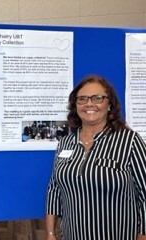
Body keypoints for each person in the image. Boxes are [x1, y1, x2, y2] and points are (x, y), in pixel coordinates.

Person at [45, 74, 146, 240]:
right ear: (75, 105)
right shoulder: (65, 143)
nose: (89, 104)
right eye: (82, 99)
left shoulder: (129, 141)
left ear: (109, 104)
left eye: (97, 98)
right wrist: (50, 233)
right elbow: (54, 190)